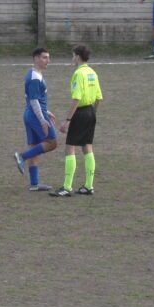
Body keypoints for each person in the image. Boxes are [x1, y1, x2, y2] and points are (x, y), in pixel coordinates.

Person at [50, 45, 103, 197]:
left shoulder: (78, 74)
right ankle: (88, 185)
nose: (72, 59)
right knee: (87, 146)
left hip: (80, 112)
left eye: (73, 56)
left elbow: (77, 98)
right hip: (91, 111)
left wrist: (68, 120)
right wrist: (93, 113)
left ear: (78, 57)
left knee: (70, 147)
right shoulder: (92, 72)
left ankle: (67, 187)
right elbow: (99, 97)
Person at [13, 48, 58, 191]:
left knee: (35, 146)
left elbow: (35, 98)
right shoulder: (34, 78)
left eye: (48, 58)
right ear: (36, 58)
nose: (48, 61)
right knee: (52, 142)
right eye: (45, 58)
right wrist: (43, 119)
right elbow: (33, 100)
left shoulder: (34, 74)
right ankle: (22, 157)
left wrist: (47, 111)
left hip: (31, 114)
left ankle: (34, 184)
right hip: (35, 115)